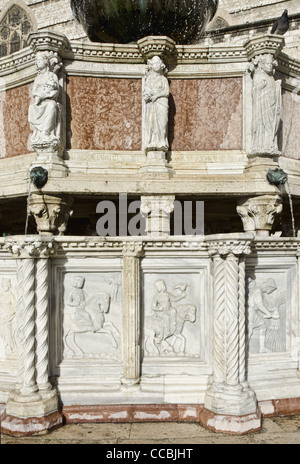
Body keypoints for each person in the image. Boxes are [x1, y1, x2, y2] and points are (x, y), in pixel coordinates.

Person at [251, 54, 281, 153]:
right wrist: (260, 87)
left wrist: (277, 87)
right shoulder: (258, 75)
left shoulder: (271, 78)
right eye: (267, 64)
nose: (270, 66)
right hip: (262, 108)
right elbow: (254, 92)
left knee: (272, 126)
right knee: (262, 125)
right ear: (262, 65)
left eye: (271, 64)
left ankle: (270, 144)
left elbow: (274, 94)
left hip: (271, 108)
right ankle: (261, 145)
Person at [28, 51, 61, 145]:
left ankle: (45, 133)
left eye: (39, 60)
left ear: (46, 62)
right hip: (39, 102)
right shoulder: (37, 78)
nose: (37, 62)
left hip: (48, 100)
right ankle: (39, 133)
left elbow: (56, 91)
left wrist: (43, 95)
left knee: (52, 105)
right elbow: (34, 91)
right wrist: (39, 95)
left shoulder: (52, 75)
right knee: (32, 108)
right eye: (36, 61)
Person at [143, 56, 169, 152]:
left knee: (163, 123)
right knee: (151, 122)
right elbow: (146, 91)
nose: (156, 65)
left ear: (161, 65)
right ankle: (152, 142)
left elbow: (166, 92)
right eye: (154, 63)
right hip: (152, 104)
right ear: (151, 65)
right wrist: (147, 95)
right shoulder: (148, 79)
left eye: (158, 63)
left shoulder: (163, 79)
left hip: (161, 102)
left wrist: (156, 96)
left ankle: (162, 142)